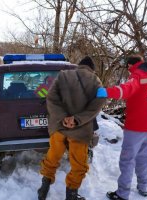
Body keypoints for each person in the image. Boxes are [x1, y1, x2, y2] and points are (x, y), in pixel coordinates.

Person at [97, 54, 147, 200]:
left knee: (127, 160)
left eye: (128, 67)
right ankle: (143, 187)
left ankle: (122, 194)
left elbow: (126, 90)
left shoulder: (137, 76)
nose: (129, 70)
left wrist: (107, 91)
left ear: (131, 65)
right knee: (143, 157)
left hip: (135, 126)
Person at [38, 56, 106, 200]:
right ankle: (71, 195)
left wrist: (63, 117)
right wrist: (76, 119)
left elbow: (51, 98)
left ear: (79, 66)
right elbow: (99, 104)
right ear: (92, 69)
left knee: (52, 157)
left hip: (59, 127)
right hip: (80, 131)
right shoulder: (96, 82)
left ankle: (44, 188)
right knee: (79, 165)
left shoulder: (63, 75)